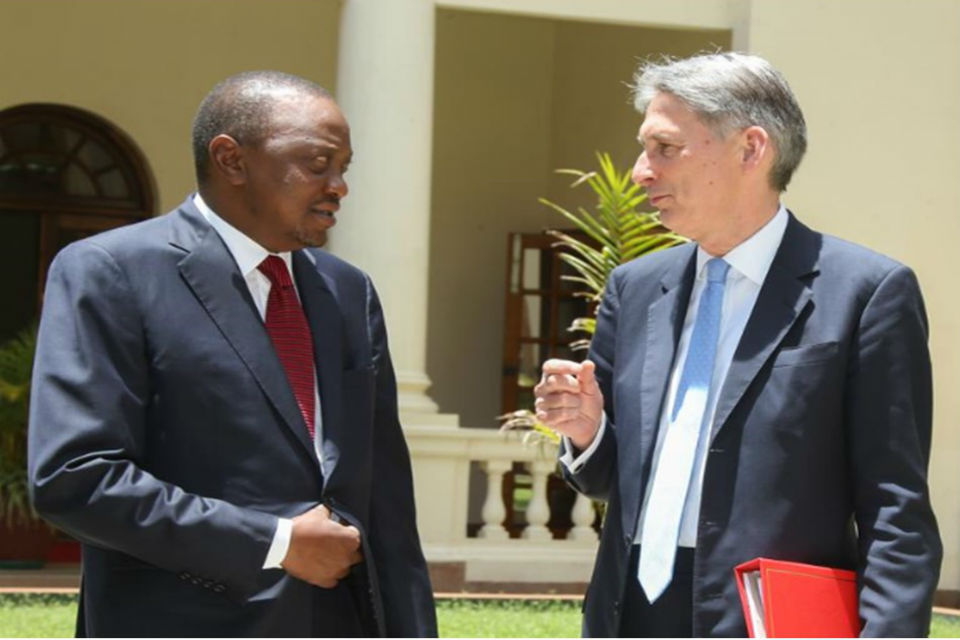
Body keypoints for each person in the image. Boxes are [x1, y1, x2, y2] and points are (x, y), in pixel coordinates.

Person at [534, 52, 941, 637]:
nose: (640, 171)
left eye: (664, 148)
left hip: (773, 617)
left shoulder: (867, 293)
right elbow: (610, 479)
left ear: (752, 149)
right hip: (628, 611)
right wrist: (586, 432)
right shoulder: (636, 287)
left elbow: (895, 506)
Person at [28, 71, 437, 637]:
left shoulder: (348, 290)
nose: (339, 185)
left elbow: (386, 498)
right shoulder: (111, 272)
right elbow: (75, 479)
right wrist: (276, 543)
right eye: (317, 163)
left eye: (344, 167)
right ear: (232, 160)